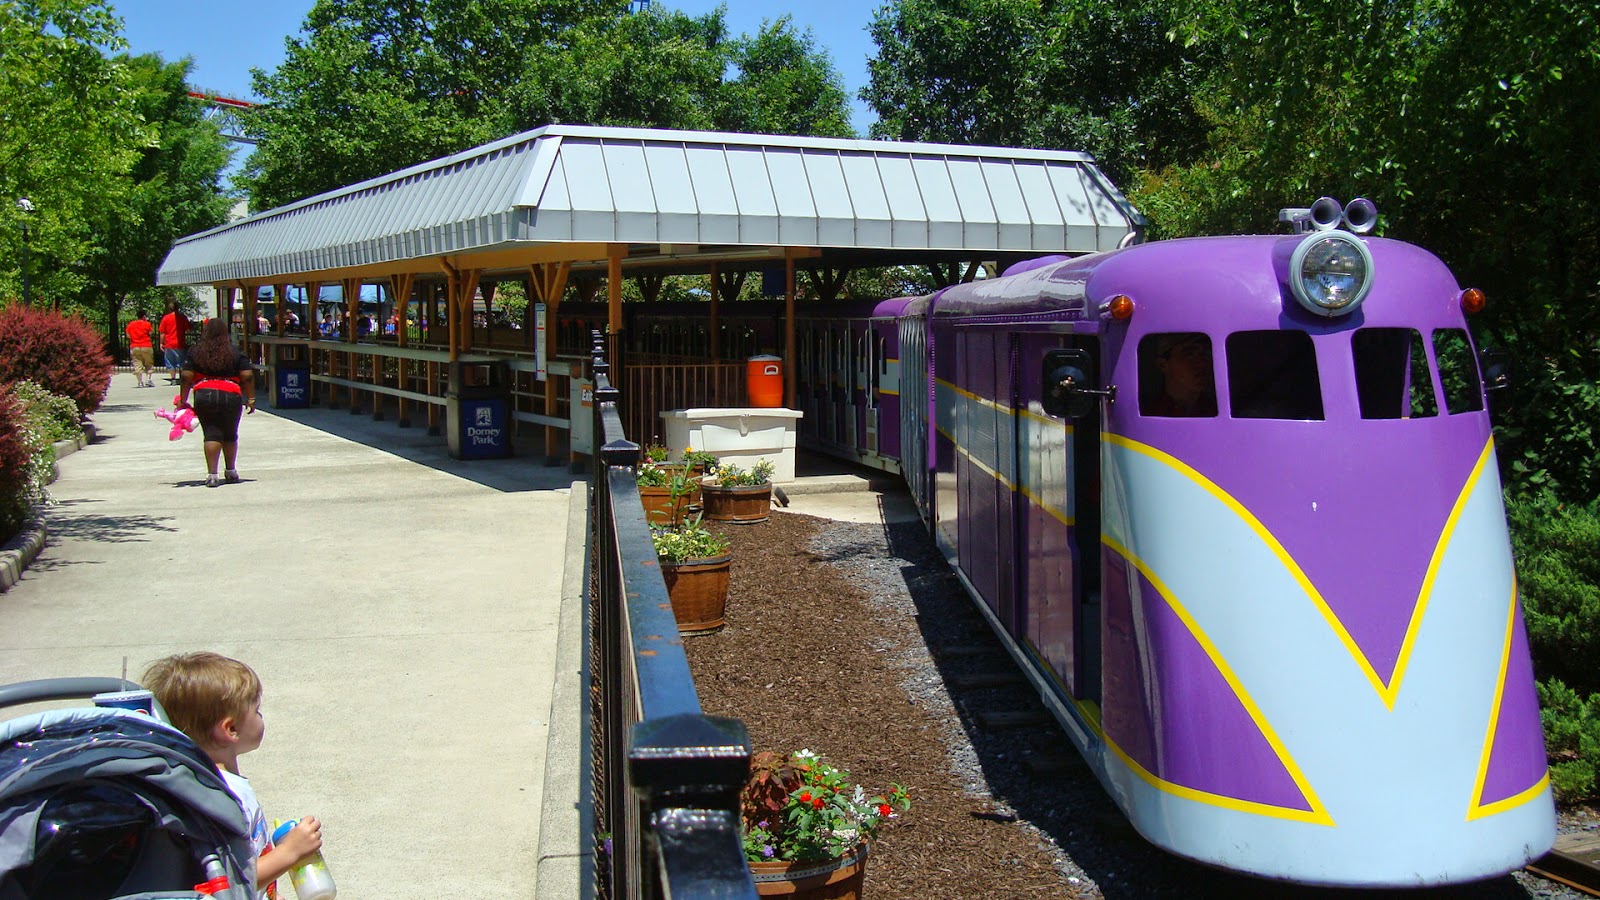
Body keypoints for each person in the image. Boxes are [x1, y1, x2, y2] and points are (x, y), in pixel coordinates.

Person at [142, 652, 324, 900]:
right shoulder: (219, 798)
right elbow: (228, 882)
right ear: (231, 729)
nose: (260, 716)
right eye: (256, 711)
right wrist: (291, 852)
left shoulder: (203, 784)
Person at [179, 318, 257, 487]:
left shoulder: (196, 351)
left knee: (211, 433)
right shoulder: (235, 351)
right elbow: (247, 376)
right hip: (231, 393)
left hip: (204, 393)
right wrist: (251, 398)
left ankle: (212, 475)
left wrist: (183, 400)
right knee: (230, 433)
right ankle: (231, 471)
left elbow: (186, 377)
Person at [1147, 333, 1217, 417]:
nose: (1202, 363)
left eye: (1204, 354)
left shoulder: (1216, 411)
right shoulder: (1150, 414)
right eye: (1189, 354)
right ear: (1163, 364)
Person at [159, 300, 192, 385]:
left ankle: (173, 379)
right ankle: (182, 378)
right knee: (182, 362)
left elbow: (162, 332)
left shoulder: (166, 318)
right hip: (180, 343)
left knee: (170, 362)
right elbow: (188, 330)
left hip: (169, 344)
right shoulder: (182, 317)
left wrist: (161, 343)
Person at [126, 310, 156, 388]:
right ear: (144, 316)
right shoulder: (147, 324)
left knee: (137, 364)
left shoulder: (131, 324)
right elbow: (150, 333)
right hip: (146, 345)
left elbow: (128, 335)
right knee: (149, 363)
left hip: (135, 346)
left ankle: (139, 382)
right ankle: (148, 379)